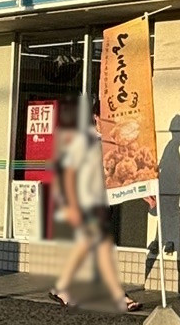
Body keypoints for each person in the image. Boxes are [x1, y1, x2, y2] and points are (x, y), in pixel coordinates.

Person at [53, 104, 138, 312]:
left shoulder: (112, 141)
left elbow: (121, 172)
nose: (110, 121)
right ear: (96, 117)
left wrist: (144, 194)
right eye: (106, 116)